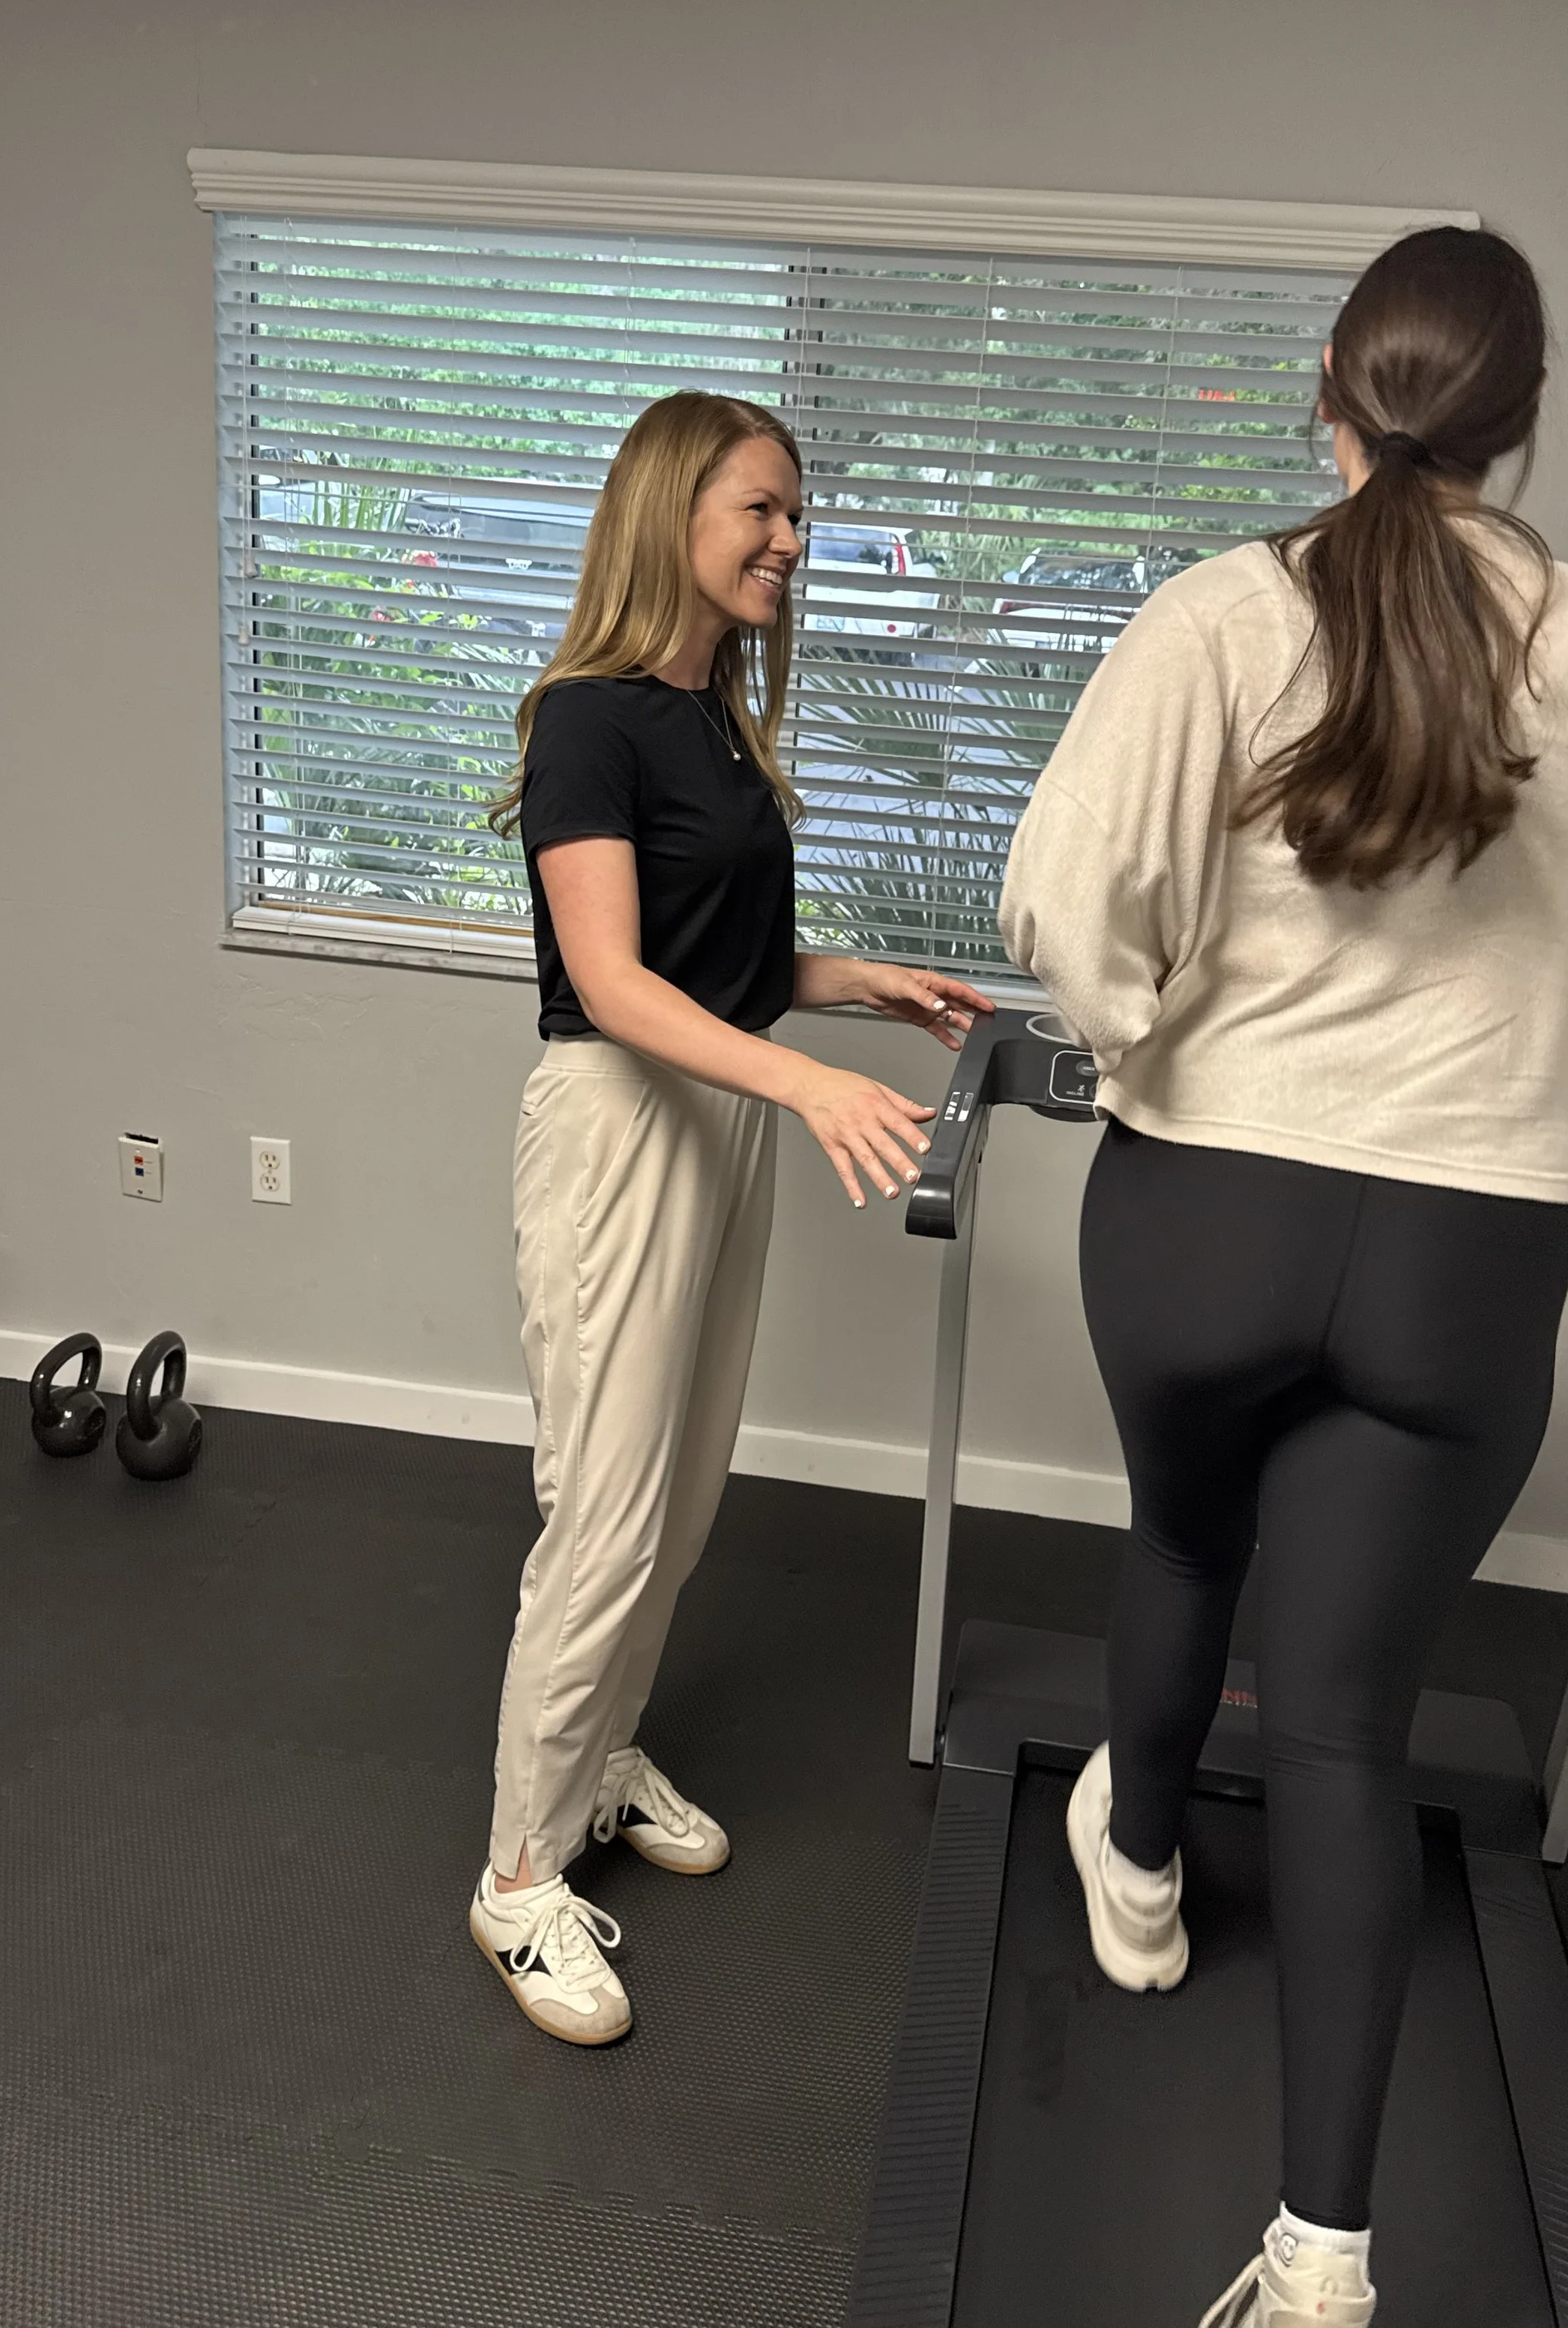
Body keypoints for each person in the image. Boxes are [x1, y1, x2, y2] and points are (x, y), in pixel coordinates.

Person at [999, 227, 1568, 2327]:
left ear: (1331, 400)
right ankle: (1319, 2252)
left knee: (1179, 1538)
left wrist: (1149, 1033)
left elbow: (1066, 895)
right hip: (1463, 1251)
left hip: (1202, 1210)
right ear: (1517, 426)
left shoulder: (1219, 613)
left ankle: (1130, 1873)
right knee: (1337, 1725)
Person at [473, 391, 994, 2048]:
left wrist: (855, 986)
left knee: (680, 1497)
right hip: (623, 1127)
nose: (789, 539)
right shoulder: (589, 719)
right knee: (605, 1512)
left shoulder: (711, 722)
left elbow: (722, 963)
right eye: (760, 510)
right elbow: (616, 985)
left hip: (715, 1124)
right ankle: (512, 1883)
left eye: (797, 515)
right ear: (668, 515)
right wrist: (804, 1085)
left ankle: (599, 1751)